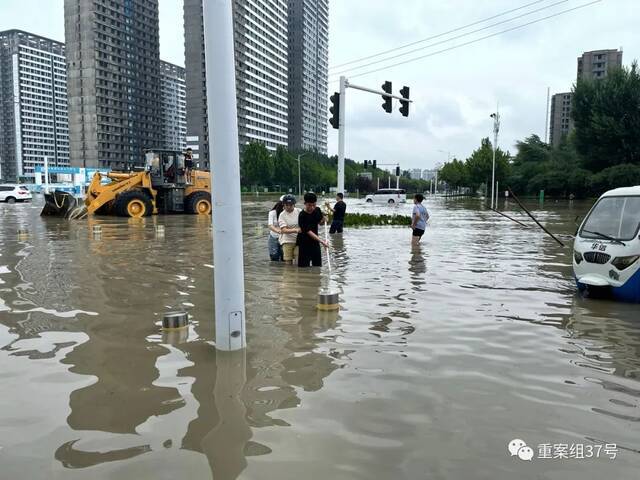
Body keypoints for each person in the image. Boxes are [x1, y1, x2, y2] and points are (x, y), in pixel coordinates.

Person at [297, 192, 328, 267]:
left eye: (314, 205)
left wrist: (324, 219)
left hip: (315, 242)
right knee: (303, 268)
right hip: (304, 243)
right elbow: (308, 231)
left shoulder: (317, 210)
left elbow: (320, 223)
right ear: (305, 203)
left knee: (317, 266)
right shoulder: (302, 216)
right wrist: (322, 241)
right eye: (309, 205)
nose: (312, 208)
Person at [278, 195, 300, 264]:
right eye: (286, 205)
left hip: (299, 240)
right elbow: (284, 230)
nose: (288, 207)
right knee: (288, 262)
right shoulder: (282, 215)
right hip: (287, 241)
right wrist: (296, 230)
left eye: (291, 205)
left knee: (298, 260)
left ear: (294, 204)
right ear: (283, 205)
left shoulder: (299, 211)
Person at [267, 197, 284, 261]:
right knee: (274, 257)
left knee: (284, 258)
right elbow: (270, 225)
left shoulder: (288, 212)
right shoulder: (272, 213)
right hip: (273, 237)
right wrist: (278, 231)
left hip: (284, 238)